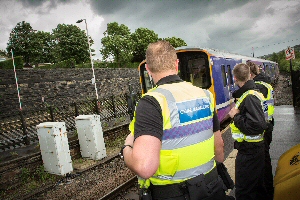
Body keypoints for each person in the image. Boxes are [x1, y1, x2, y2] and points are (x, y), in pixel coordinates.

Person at [121, 40, 231, 200]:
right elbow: (219, 148)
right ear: (177, 64)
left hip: (174, 194)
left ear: (148, 69)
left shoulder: (151, 102)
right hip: (212, 187)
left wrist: (126, 149)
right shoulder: (205, 95)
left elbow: (144, 167)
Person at [228, 63, 268, 200]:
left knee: (244, 191)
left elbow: (257, 125)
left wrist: (236, 116)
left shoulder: (249, 96)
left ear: (235, 78)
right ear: (249, 75)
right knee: (257, 188)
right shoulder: (253, 92)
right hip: (255, 149)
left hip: (250, 151)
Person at [248, 61, 275, 200]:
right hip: (268, 124)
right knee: (265, 160)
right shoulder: (266, 84)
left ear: (251, 74)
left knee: (263, 163)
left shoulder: (258, 87)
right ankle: (268, 189)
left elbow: (256, 113)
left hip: (263, 128)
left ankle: (267, 192)